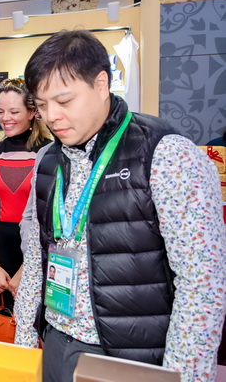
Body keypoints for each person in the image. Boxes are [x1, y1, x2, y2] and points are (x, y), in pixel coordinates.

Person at [13, 30, 226, 382]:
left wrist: (183, 376)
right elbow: (37, 255)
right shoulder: (47, 160)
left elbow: (201, 284)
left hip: (128, 355)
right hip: (55, 341)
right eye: (42, 105)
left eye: (64, 101)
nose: (52, 116)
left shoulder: (165, 155)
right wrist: (23, 340)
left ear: (101, 84)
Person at [0, 78, 52, 311]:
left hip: (37, 251)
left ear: (32, 112)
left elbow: (49, 217)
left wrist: (25, 270)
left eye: (14, 111)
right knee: (5, 318)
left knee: (37, 318)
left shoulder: (49, 153)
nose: (5, 118)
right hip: (0, 252)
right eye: (0, 111)